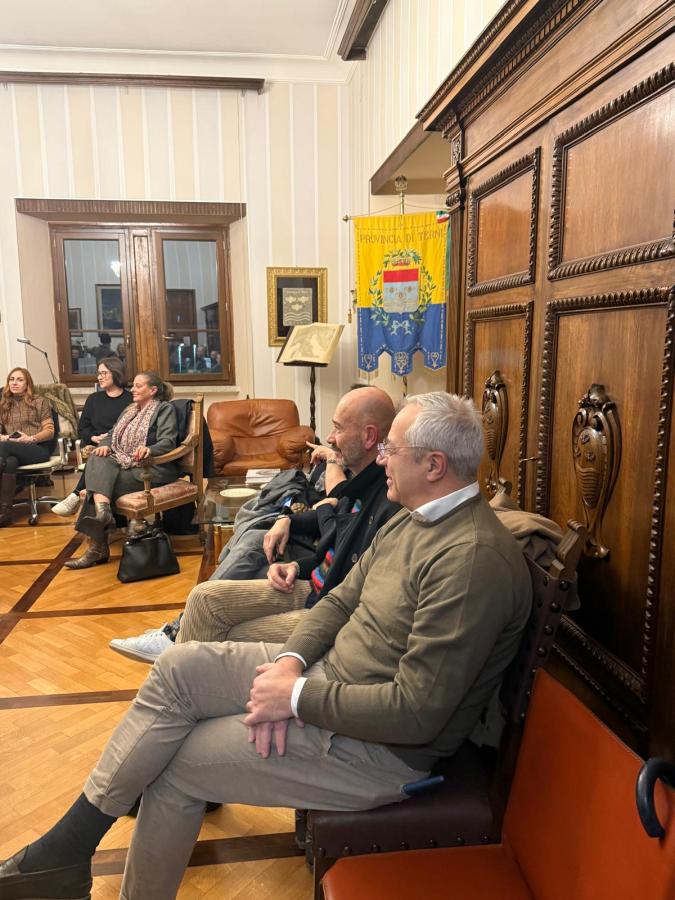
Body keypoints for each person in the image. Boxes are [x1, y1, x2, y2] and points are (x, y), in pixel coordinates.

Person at [0, 392, 532, 900]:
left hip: (379, 751)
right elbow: (337, 602)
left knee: (178, 765)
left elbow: (416, 715)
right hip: (327, 679)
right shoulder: (413, 520)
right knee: (179, 667)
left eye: (392, 449)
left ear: (434, 465)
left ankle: (69, 861)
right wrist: (289, 665)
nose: (382, 458)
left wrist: (296, 698)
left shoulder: (470, 561)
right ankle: (68, 849)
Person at [109, 385, 399, 663]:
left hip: (324, 605)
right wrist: (295, 552)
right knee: (202, 597)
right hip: (313, 584)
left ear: (369, 436)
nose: (331, 438)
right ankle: (176, 656)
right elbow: (338, 536)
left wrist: (316, 512)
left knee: (215, 631)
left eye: (337, 427)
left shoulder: (387, 497)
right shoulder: (362, 485)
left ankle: (177, 659)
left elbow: (352, 582)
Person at [63, 371, 179, 570]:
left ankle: (97, 547)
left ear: (153, 390)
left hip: (150, 470)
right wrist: (106, 445)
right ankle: (104, 514)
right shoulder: (130, 409)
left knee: (94, 490)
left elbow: (168, 442)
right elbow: (112, 434)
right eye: (133, 385)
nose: (132, 389)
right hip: (125, 465)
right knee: (97, 457)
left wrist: (150, 449)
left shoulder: (163, 409)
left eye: (138, 386)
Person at [52, 357, 132, 517]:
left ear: (116, 373)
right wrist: (95, 438)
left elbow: (132, 428)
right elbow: (83, 428)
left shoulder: (130, 400)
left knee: (98, 457)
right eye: (98, 373)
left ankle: (75, 494)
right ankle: (84, 502)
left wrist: (110, 439)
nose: (99, 377)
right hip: (98, 445)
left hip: (122, 446)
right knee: (98, 455)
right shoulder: (94, 399)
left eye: (104, 373)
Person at [0, 367, 55, 527]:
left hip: (37, 448)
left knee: (4, 448)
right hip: (11, 448)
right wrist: (7, 437)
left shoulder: (39, 401)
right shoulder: (3, 403)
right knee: (9, 461)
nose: (14, 382)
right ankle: (4, 514)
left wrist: (30, 438)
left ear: (28, 383)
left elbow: (49, 431)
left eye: (19, 379)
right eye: (11, 379)